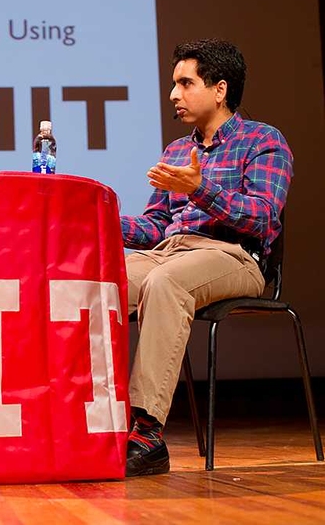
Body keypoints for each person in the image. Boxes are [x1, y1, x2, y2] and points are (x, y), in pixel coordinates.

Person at [121, 39, 293, 477]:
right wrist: (99, 219)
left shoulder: (264, 140)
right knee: (98, 280)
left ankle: (146, 432)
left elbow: (262, 217)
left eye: (185, 83)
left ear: (220, 89)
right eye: (173, 84)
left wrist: (200, 189)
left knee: (166, 284)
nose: (174, 95)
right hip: (169, 252)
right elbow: (155, 226)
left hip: (234, 257)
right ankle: (87, 416)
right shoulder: (177, 151)